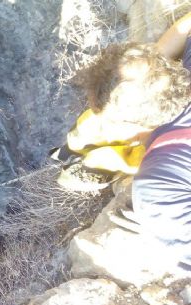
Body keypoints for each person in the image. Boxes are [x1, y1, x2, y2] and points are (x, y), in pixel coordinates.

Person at [72, 12, 191, 270]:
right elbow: (185, 28)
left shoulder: (159, 189)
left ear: (132, 127)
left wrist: (155, 220)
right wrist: (149, 70)